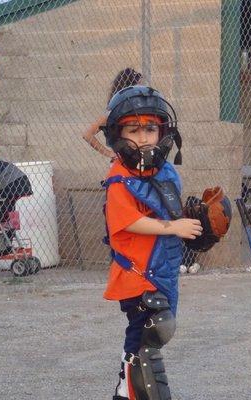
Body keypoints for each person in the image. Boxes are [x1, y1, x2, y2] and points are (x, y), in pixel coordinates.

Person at [102, 85, 201, 399]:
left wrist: (197, 228)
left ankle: (122, 390)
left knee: (144, 337)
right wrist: (174, 226)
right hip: (136, 274)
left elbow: (169, 212)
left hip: (160, 269)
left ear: (163, 132)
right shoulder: (119, 180)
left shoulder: (164, 172)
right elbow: (129, 221)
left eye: (150, 129)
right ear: (118, 135)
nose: (143, 137)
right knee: (151, 332)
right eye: (133, 129)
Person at [82, 68, 142, 159]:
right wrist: (110, 154)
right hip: (124, 160)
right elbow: (87, 135)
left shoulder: (141, 108)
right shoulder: (116, 110)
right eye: (137, 87)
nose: (140, 91)